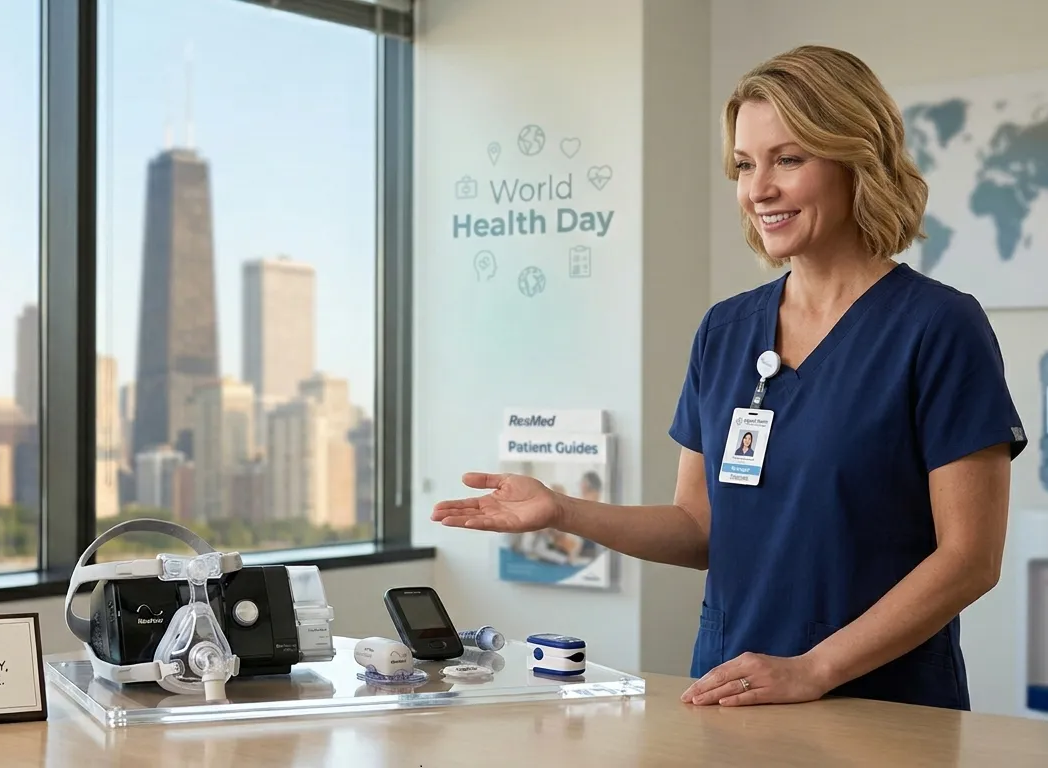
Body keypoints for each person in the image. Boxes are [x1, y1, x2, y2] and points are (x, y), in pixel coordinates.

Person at [431, 44, 1027, 711]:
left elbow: (969, 558)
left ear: (857, 158)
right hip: (730, 695)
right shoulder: (725, 331)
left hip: (882, 706)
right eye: (745, 165)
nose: (758, 189)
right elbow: (700, 528)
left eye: (788, 159)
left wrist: (815, 669)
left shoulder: (939, 328)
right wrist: (564, 511)